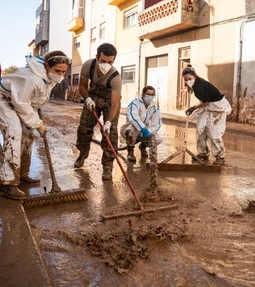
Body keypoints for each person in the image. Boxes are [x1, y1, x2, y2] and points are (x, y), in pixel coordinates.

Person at [0, 51, 71, 200]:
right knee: (14, 131)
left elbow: (33, 100)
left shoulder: (47, 78)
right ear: (47, 66)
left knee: (28, 134)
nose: (60, 74)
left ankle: (22, 174)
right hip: (4, 100)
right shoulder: (34, 78)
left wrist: (34, 120)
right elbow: (21, 103)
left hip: (17, 101)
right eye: (57, 70)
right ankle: (7, 183)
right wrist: (37, 123)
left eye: (64, 71)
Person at [74, 43, 122, 181]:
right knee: (84, 128)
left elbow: (115, 104)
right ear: (97, 57)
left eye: (110, 62)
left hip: (108, 101)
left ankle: (107, 166)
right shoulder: (88, 66)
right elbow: (82, 86)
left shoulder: (115, 78)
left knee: (110, 133)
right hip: (92, 96)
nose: (106, 65)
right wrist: (87, 98)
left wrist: (108, 122)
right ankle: (83, 153)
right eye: (103, 61)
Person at [183, 65, 231, 165]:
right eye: (186, 79)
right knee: (200, 129)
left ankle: (220, 156)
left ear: (194, 76)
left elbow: (206, 101)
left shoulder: (200, 85)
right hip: (208, 106)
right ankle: (203, 153)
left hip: (218, 107)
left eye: (189, 79)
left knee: (214, 133)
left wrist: (193, 108)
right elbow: (205, 102)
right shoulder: (195, 86)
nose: (188, 81)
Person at [120, 86, 162, 163]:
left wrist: (148, 131)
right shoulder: (134, 104)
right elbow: (133, 118)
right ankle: (130, 152)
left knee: (158, 139)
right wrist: (142, 129)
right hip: (130, 129)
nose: (150, 96)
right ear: (143, 94)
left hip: (144, 131)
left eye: (152, 95)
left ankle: (143, 146)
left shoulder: (154, 107)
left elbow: (157, 123)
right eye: (148, 94)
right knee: (131, 129)